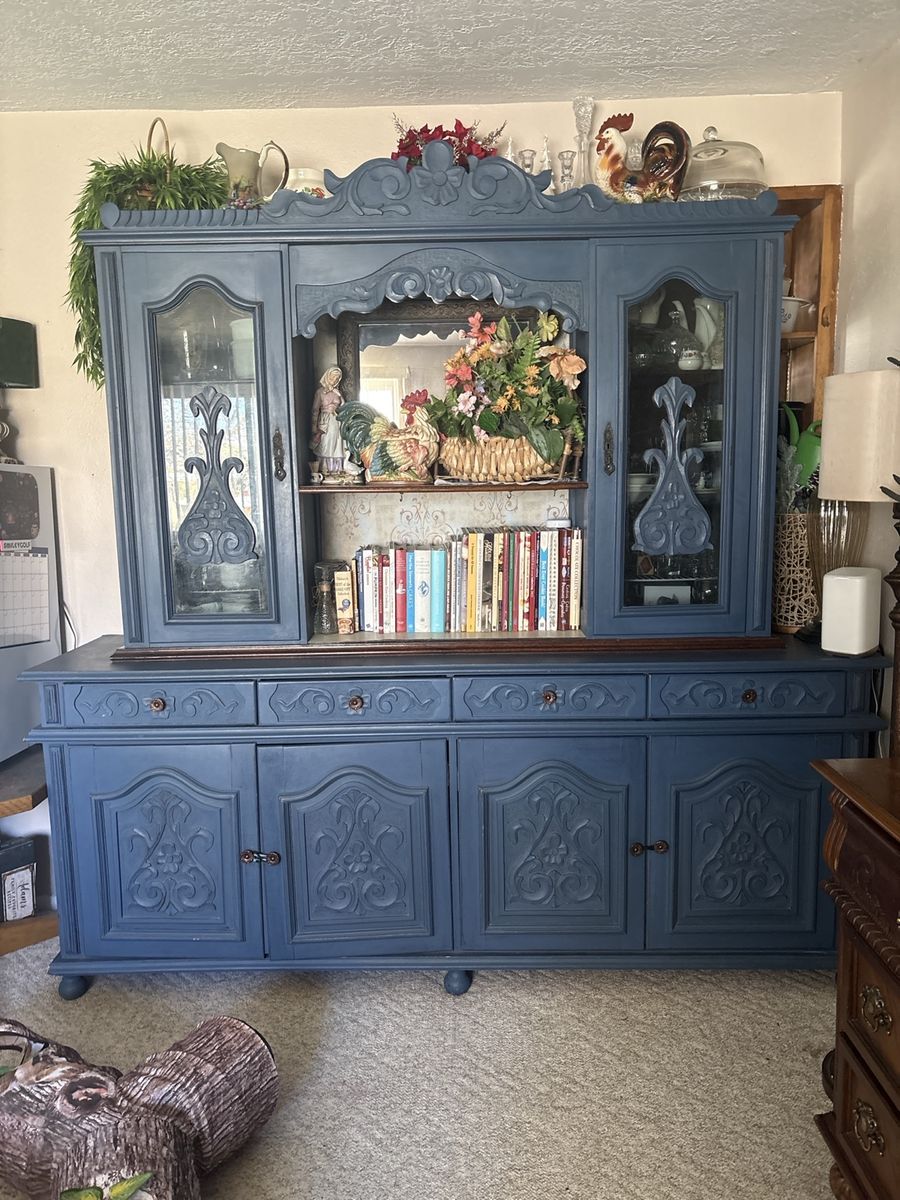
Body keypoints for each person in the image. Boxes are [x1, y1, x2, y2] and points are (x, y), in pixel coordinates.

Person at [310, 366, 346, 477]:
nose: (334, 380)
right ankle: (325, 470)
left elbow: (344, 408)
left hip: (336, 421)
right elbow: (315, 410)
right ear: (327, 376)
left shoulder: (337, 392)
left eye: (337, 378)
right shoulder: (320, 392)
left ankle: (336, 470)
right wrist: (314, 427)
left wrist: (340, 396)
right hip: (325, 421)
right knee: (326, 445)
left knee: (337, 446)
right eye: (333, 377)